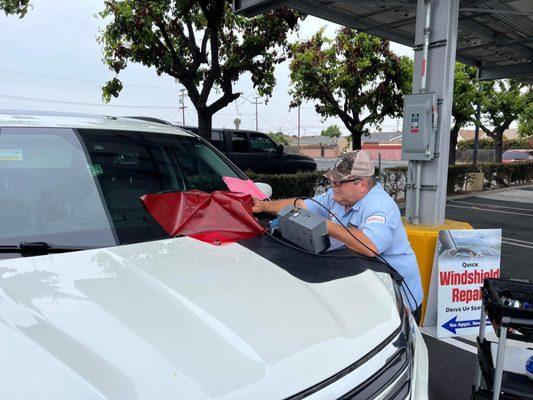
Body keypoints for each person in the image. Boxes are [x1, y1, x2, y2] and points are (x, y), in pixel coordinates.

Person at [252, 150, 424, 323]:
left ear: (362, 184)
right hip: (367, 288)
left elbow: (369, 246)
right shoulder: (337, 197)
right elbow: (301, 205)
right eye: (332, 180)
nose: (334, 185)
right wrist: (263, 207)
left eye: (340, 181)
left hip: (399, 297)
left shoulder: (380, 205)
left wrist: (326, 225)